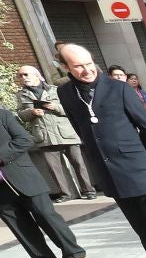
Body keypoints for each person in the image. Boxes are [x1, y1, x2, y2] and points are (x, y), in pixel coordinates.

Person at [55, 44, 146, 258]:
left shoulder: (119, 88)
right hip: (107, 170)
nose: (86, 70)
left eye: (89, 63)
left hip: (135, 165)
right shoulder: (66, 93)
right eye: (78, 66)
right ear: (65, 67)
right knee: (139, 224)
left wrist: (141, 153)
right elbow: (80, 127)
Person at [0, 87, 88, 258]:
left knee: (47, 216)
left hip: (24, 177)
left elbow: (25, 139)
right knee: (19, 225)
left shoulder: (0, 116)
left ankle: (75, 254)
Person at [13, 65, 94, 201]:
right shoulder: (21, 95)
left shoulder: (55, 90)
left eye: (25, 74)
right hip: (44, 135)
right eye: (20, 76)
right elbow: (20, 115)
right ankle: (65, 194)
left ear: (36, 75)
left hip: (65, 133)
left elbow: (72, 108)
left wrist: (55, 107)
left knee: (78, 163)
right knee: (54, 168)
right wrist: (31, 112)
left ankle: (89, 190)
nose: (23, 78)